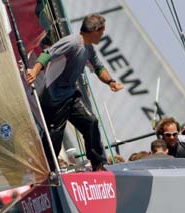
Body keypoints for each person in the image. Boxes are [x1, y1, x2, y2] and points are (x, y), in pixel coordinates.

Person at [26, 14, 124, 172]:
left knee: (90, 122)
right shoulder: (72, 42)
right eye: (102, 31)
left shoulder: (89, 48)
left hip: (71, 95)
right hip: (54, 97)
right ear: (95, 30)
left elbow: (98, 67)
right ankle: (48, 171)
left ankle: (98, 164)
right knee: (55, 135)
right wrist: (35, 71)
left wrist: (111, 82)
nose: (103, 34)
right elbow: (47, 54)